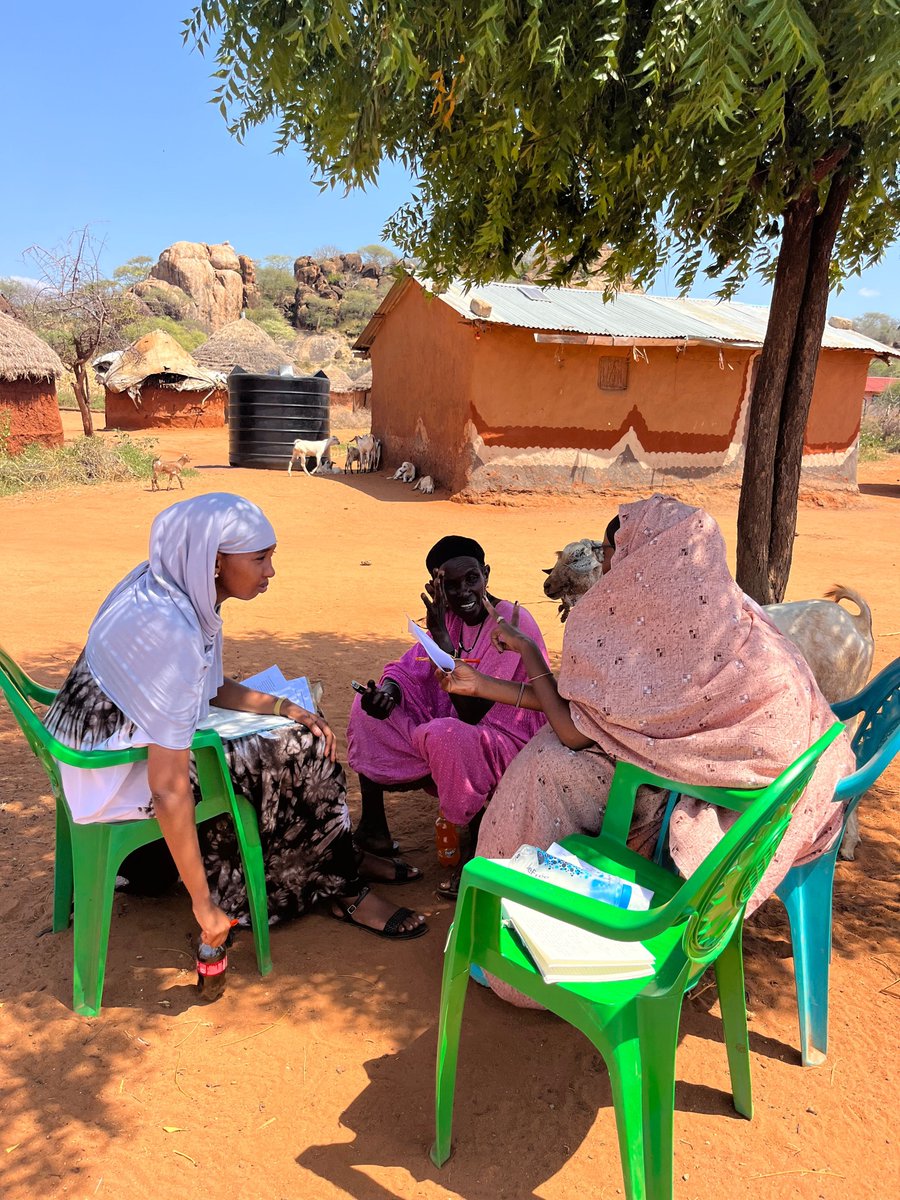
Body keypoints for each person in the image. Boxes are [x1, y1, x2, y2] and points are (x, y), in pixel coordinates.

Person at [438, 495, 854, 1004]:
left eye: (612, 551)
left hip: (714, 795)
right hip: (789, 773)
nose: (607, 563)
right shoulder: (726, 611)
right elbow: (580, 710)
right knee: (552, 760)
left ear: (649, 555)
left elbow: (574, 730)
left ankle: (511, 933)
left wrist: (525, 653)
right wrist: (484, 685)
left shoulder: (637, 628)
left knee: (544, 772)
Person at [44, 493, 427, 947]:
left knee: (298, 726)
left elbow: (207, 686)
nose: (271, 572)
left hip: (101, 744)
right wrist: (203, 906)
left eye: (272, 556)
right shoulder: (173, 632)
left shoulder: (163, 584)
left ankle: (333, 856)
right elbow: (168, 789)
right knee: (299, 752)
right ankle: (336, 885)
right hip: (112, 775)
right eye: (260, 558)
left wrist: (284, 707)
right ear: (215, 561)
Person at [347, 535, 548, 896]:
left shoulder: (512, 622)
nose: (464, 592)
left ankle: (476, 844)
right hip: (460, 725)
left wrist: (442, 640)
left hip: (511, 738)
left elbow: (473, 712)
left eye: (471, 578)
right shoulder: (449, 618)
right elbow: (410, 668)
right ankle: (374, 830)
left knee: (447, 735)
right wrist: (388, 694)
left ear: (486, 573)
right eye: (450, 586)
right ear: (435, 588)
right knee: (368, 712)